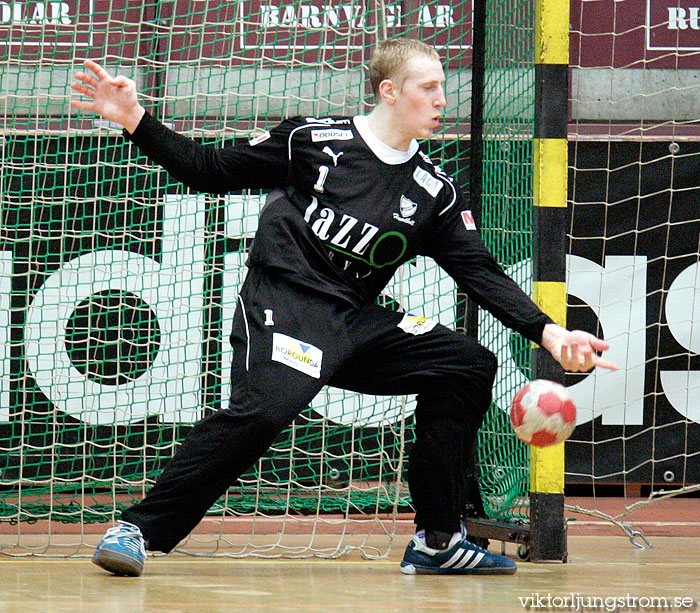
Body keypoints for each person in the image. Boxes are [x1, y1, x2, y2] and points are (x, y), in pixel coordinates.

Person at [71, 37, 617, 577]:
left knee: (466, 363)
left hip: (353, 322)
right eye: (428, 88)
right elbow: (210, 170)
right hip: (284, 306)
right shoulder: (312, 141)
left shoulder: (433, 190)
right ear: (389, 92)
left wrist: (549, 332)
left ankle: (439, 540)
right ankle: (138, 529)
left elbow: (479, 272)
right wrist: (135, 117)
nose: (441, 101)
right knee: (264, 412)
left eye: (443, 89)